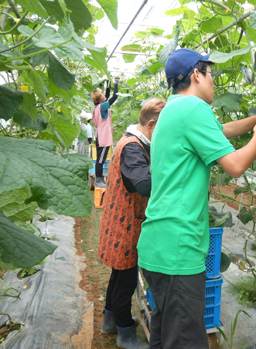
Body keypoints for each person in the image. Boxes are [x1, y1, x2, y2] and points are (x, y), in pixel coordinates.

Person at [137, 48, 256, 348]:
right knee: (186, 341)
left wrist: (255, 121)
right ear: (197, 74)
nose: (214, 80)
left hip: (157, 246)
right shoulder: (195, 111)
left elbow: (219, 131)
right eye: (211, 73)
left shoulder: (173, 111)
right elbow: (234, 166)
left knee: (164, 334)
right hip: (178, 250)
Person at [97, 98, 166, 349]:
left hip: (121, 222)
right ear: (151, 125)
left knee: (118, 276)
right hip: (123, 227)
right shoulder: (133, 148)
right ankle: (125, 333)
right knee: (124, 281)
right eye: (164, 129)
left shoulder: (133, 142)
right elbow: (144, 185)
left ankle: (110, 321)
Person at [91, 77, 120, 188]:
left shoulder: (97, 106)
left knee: (100, 158)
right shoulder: (103, 106)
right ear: (99, 100)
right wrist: (116, 83)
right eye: (102, 96)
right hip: (103, 137)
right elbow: (114, 97)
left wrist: (108, 84)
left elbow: (107, 96)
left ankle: (100, 178)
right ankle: (98, 180)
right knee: (101, 159)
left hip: (100, 136)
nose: (104, 97)